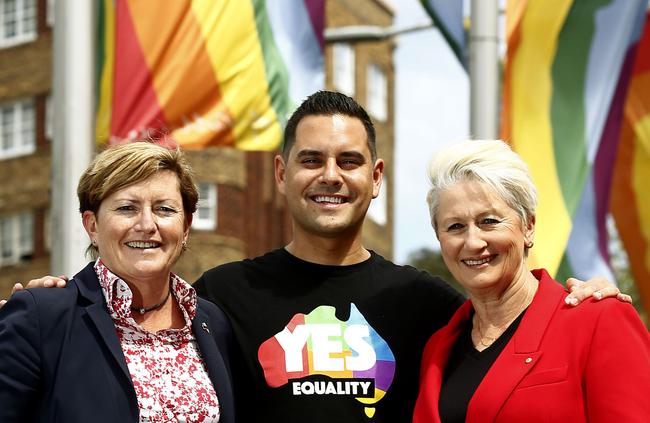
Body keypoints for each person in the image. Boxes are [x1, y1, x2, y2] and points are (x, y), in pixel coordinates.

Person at [7, 92, 626, 422]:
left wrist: (581, 293)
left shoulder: (433, 308)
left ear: (376, 177)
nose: (330, 177)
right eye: (311, 160)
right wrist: (67, 293)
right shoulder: (216, 300)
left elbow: (513, 330)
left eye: (349, 161)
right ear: (281, 172)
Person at [412, 140, 650, 423]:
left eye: (489, 221)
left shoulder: (598, 319)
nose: (473, 241)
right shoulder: (437, 348)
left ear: (528, 226)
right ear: (440, 238)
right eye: (455, 227)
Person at [0, 142, 235, 422]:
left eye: (164, 209)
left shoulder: (212, 321)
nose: (147, 224)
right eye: (126, 208)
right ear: (93, 226)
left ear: (185, 226)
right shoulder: (41, 316)